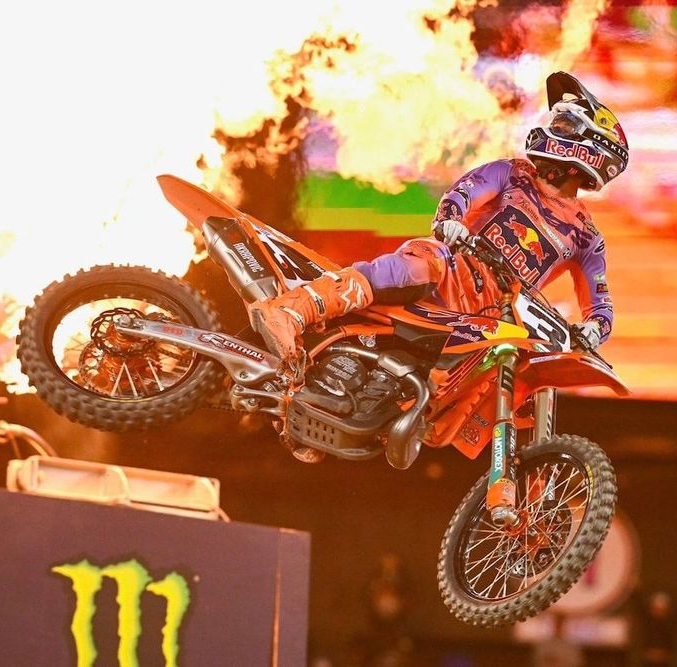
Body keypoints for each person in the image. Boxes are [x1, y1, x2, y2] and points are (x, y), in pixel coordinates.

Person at [249, 71, 629, 458]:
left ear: (590, 149)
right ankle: (291, 310)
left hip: (490, 313)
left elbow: (600, 305)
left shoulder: (586, 236)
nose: (551, 128)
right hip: (452, 266)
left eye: (563, 125)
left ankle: (363, 412)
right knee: (419, 267)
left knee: (483, 383)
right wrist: (451, 220)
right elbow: (462, 194)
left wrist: (593, 330)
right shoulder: (511, 173)